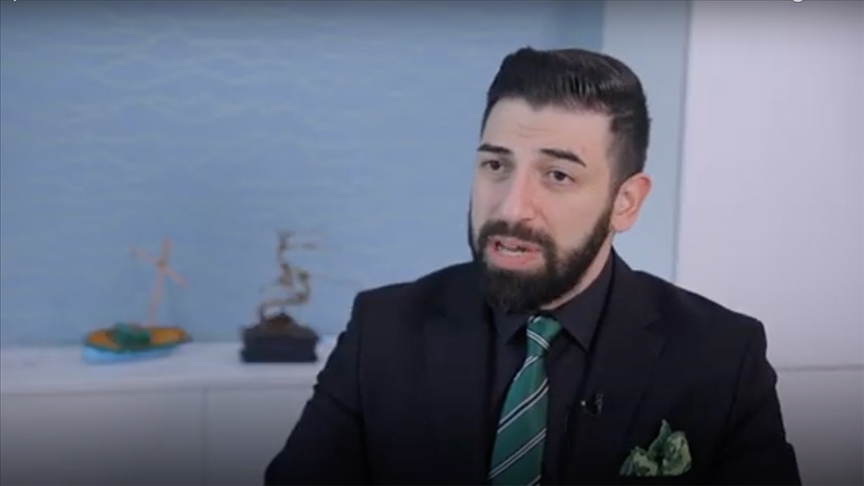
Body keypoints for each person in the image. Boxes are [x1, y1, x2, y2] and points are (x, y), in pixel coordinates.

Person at [264, 47, 801, 486]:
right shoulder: (383, 329)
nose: (511, 207)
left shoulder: (721, 356)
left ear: (625, 202)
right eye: (496, 165)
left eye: (558, 175)